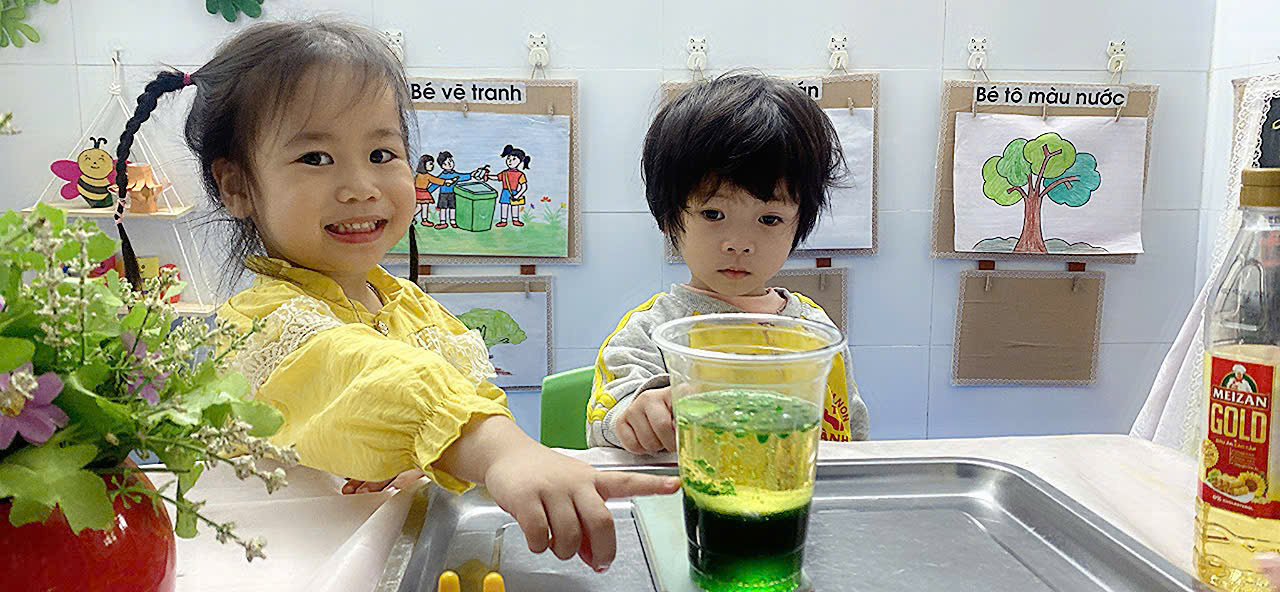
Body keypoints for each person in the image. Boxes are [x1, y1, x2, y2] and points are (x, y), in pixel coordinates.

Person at [110, 19, 678, 572]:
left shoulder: (405, 303)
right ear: (237, 186)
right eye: (315, 158)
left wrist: (450, 457)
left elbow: (472, 400)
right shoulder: (262, 322)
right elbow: (362, 375)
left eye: (382, 155)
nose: (361, 188)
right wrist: (499, 450)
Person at [585, 73, 870, 453]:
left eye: (769, 219)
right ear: (670, 216)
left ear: (800, 223)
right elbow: (607, 419)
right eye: (713, 214)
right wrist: (638, 414)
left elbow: (851, 439)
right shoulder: (651, 330)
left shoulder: (815, 329)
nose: (739, 244)